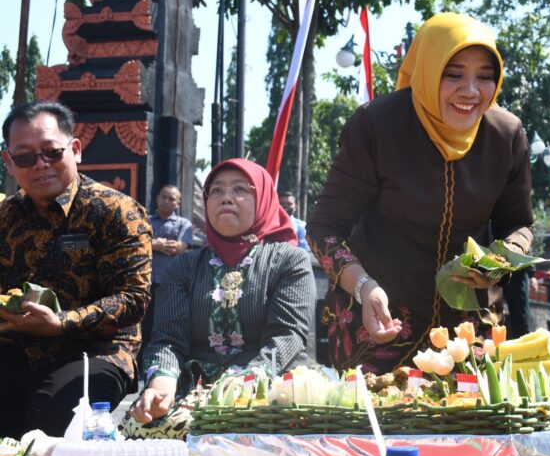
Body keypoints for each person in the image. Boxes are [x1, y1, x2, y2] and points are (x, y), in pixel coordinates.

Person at [308, 12, 534, 372]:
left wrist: (498, 263)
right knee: (378, 424)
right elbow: (324, 229)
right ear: (427, 69)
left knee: (465, 426)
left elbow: (518, 224)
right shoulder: (377, 126)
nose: (471, 91)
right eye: (454, 73)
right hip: (376, 325)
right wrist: (364, 287)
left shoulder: (505, 135)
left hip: (463, 334)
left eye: (485, 77)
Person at [126, 159, 315, 437]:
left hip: (271, 385)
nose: (226, 197)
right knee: (144, 430)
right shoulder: (184, 266)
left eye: (240, 189)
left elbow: (287, 336)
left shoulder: (289, 261)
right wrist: (162, 382)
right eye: (216, 191)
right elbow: (168, 338)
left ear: (263, 199)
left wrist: (247, 380)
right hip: (194, 389)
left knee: (270, 434)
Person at [0, 100, 152, 437]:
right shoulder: (5, 217)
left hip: (98, 350)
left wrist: (62, 323)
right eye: (25, 157)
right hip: (16, 346)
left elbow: (133, 299)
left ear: (76, 150)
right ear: (9, 162)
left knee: (48, 419)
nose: (41, 165)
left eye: (51, 153)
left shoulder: (116, 211)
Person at [142, 184, 194, 369]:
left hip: (170, 283)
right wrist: (155, 244)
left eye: (171, 198)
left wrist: (153, 244)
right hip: (146, 282)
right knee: (144, 325)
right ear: (157, 198)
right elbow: (136, 243)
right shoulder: (145, 220)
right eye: (163, 196)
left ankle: (165, 364)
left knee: (166, 323)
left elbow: (178, 247)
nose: (166, 201)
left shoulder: (183, 224)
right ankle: (143, 366)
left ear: (178, 203)